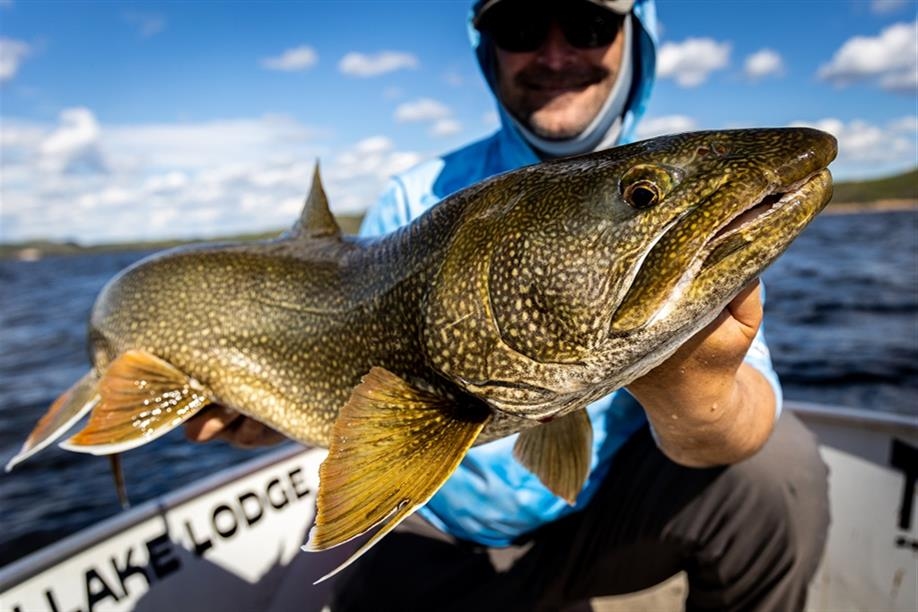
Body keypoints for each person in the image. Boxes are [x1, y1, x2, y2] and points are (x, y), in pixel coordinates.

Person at [186, 1, 830, 610]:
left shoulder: (704, 231)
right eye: (520, 28)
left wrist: (692, 384)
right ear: (486, 49)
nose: (555, 54)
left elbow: (746, 423)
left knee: (777, 475)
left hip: (597, 518)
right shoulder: (414, 198)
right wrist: (275, 404)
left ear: (635, 37)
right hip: (438, 528)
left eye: (586, 25)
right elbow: (360, 386)